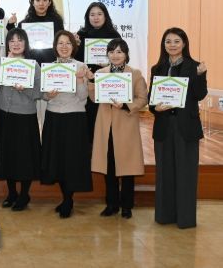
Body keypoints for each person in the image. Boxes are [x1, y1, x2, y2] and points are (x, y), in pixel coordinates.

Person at [149, 27, 208, 229]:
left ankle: (185, 218)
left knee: (186, 173)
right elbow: (151, 100)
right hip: (164, 126)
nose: (172, 45)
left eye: (176, 41)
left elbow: (199, 95)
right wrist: (155, 108)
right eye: (168, 41)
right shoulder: (157, 68)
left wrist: (200, 75)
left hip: (186, 127)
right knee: (164, 173)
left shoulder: (195, 66)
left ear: (184, 44)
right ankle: (164, 215)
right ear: (163, 45)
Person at [89, 38, 147, 219]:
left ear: (126, 54)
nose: (115, 55)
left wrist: (125, 105)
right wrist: (91, 82)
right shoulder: (101, 73)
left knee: (127, 168)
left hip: (126, 125)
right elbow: (94, 98)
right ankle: (111, 204)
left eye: (119, 51)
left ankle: (127, 206)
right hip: (105, 125)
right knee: (109, 167)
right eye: (112, 51)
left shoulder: (135, 74)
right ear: (107, 54)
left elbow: (142, 99)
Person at [40, 31, 92, 218]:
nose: (64, 47)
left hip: (74, 118)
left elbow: (83, 98)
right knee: (58, 160)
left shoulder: (80, 66)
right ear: (55, 46)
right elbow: (44, 95)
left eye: (68, 43)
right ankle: (65, 198)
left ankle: (68, 200)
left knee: (71, 160)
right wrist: (48, 95)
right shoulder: (49, 67)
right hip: (54, 116)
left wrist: (79, 80)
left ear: (73, 46)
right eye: (60, 43)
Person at [0, 28, 41, 211]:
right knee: (7, 154)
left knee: (24, 157)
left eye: (19, 40)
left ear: (25, 43)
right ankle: (12, 193)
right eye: (12, 40)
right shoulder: (1, 63)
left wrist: (25, 89)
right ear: (7, 44)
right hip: (4, 114)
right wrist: (0, 68)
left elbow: (39, 93)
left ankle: (24, 194)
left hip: (25, 116)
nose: (16, 44)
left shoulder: (33, 65)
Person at [75, 2, 121, 142]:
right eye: (92, 14)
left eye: (99, 14)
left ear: (105, 16)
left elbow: (122, 59)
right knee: (89, 119)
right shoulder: (81, 35)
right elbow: (76, 59)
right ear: (87, 17)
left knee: (106, 120)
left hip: (108, 81)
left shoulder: (114, 35)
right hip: (87, 81)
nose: (96, 17)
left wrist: (109, 64)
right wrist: (75, 45)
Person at [17, 0, 64, 65]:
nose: (41, 3)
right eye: (38, 0)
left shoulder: (57, 21)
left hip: (52, 64)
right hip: (30, 64)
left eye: (45, 0)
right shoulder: (23, 24)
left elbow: (61, 42)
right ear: (32, 2)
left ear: (49, 2)